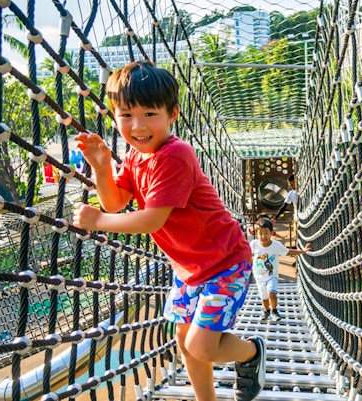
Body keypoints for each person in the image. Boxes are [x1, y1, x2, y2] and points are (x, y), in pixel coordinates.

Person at [72, 60, 265, 401]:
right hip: (188, 269)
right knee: (184, 340)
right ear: (115, 117)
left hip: (225, 262)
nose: (138, 125)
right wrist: (101, 168)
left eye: (149, 114)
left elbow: (150, 220)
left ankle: (251, 352)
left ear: (172, 113)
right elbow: (115, 203)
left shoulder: (175, 154)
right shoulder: (134, 156)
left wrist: (97, 222)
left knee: (201, 346)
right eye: (127, 115)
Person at [250, 218, 310, 321]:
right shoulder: (254, 244)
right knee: (264, 297)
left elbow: (288, 252)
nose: (263, 236)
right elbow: (245, 253)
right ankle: (266, 311)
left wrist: (302, 251)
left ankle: (274, 310)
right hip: (259, 277)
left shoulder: (276, 245)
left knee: (271, 293)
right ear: (256, 233)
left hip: (272, 275)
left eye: (266, 233)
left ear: (272, 233)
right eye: (260, 233)